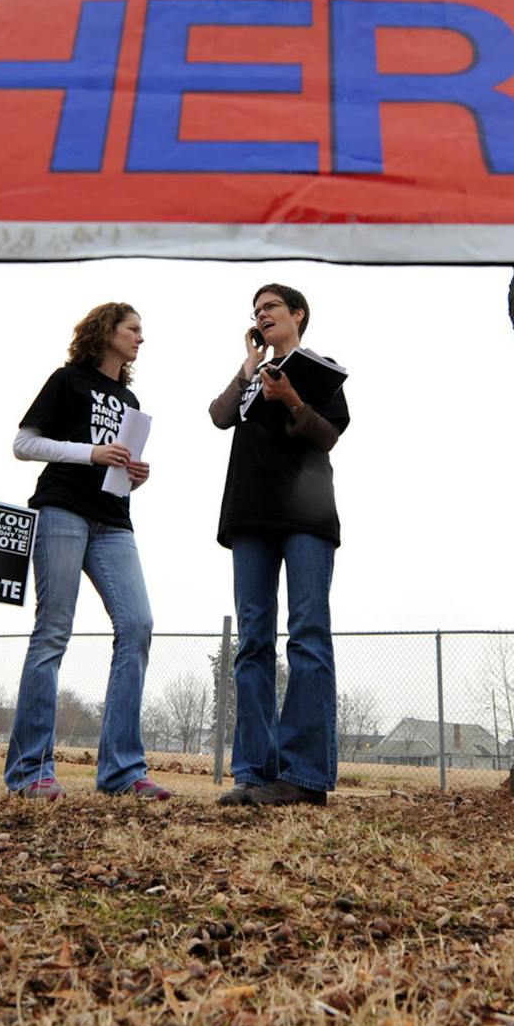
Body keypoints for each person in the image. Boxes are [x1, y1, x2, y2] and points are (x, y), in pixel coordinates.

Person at [2, 302, 169, 801]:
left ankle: (121, 771)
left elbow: (118, 464)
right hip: (62, 510)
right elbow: (23, 444)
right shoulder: (67, 380)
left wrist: (133, 474)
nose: (141, 337)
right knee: (53, 632)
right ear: (107, 331)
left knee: (137, 625)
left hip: (114, 521)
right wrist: (89, 453)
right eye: (133, 328)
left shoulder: (130, 397)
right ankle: (31, 771)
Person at [209, 282, 350, 807]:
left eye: (270, 307)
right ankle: (254, 771)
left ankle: (305, 776)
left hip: (306, 515)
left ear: (297, 314)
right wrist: (249, 365)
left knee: (308, 635)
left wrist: (292, 398)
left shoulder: (319, 368)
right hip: (249, 515)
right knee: (252, 643)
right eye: (256, 310)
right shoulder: (251, 376)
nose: (262, 314)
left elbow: (329, 434)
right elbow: (220, 415)